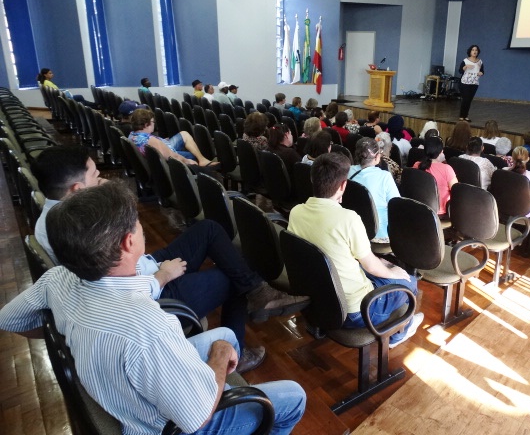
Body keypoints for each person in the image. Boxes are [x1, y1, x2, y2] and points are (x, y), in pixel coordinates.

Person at [0, 181, 306, 434]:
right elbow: (196, 417)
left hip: (120, 389)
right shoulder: (147, 326)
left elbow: (9, 319)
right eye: (138, 223)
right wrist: (220, 355)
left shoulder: (57, 278)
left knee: (223, 332)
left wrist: (65, 329)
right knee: (294, 396)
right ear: (127, 243)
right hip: (168, 425)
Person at [30, 146, 309, 372]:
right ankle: (236, 350)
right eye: (94, 174)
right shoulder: (74, 227)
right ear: (77, 189)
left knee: (209, 229)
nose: (100, 175)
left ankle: (255, 293)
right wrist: (160, 277)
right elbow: (109, 292)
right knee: (236, 276)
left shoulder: (56, 219)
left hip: (147, 267)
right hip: (155, 291)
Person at [288, 153, 423, 348]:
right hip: (356, 311)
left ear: (312, 180)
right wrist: (394, 272)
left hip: (320, 302)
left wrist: (382, 266)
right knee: (410, 281)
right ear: (343, 186)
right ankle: (395, 337)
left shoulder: (296, 212)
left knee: (381, 272)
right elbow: (372, 266)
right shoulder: (348, 218)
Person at [348, 138, 400, 242]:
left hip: (354, 231)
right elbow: (396, 205)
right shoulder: (385, 177)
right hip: (379, 234)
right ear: (377, 157)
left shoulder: (348, 171)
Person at [128, 109, 216, 167]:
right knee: (193, 155)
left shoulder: (132, 135)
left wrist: (162, 141)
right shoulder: (151, 141)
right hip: (167, 160)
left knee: (184, 134)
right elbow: (172, 157)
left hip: (162, 150)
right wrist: (187, 161)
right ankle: (202, 161)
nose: (154, 123)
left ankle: (202, 159)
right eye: (153, 122)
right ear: (146, 124)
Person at [413, 137, 458, 215]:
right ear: (441, 152)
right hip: (440, 213)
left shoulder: (417, 165)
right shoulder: (447, 169)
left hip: (420, 208)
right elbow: (456, 190)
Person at [508, 146, 530, 218]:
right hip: (525, 213)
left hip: (504, 209)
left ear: (512, 158)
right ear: (528, 159)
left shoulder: (503, 171)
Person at [458, 44, 484, 122]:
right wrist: (465, 67)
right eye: (473, 50)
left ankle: (466, 116)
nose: (474, 51)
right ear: (470, 51)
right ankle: (461, 116)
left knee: (469, 100)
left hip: (474, 83)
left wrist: (481, 73)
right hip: (465, 82)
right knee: (465, 99)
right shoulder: (465, 61)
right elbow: (460, 71)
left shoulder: (480, 61)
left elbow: (482, 71)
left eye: (476, 50)